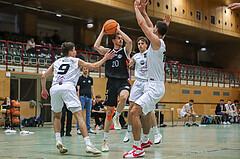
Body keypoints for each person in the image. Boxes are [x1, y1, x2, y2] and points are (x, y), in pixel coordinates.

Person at [41, 41, 114, 154]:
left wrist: (43, 89)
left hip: (54, 88)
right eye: (74, 50)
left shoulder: (56, 62)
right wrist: (106, 58)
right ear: (70, 52)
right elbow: (94, 66)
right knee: (79, 117)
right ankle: (88, 144)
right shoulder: (75, 61)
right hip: (68, 87)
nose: (76, 52)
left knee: (57, 116)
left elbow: (43, 76)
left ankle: (58, 140)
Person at [123, 1, 168, 157]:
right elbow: (149, 25)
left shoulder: (156, 42)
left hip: (154, 86)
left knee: (134, 112)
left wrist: (136, 8)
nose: (151, 27)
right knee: (144, 113)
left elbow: (142, 24)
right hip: (151, 85)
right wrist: (144, 11)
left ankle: (137, 148)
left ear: (156, 30)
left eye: (154, 27)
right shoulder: (158, 41)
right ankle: (147, 139)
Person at [94, 21, 132, 152]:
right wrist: (103, 32)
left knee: (123, 98)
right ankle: (105, 141)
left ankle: (118, 116)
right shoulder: (108, 51)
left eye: (121, 38)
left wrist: (119, 30)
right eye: (118, 38)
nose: (121, 40)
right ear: (113, 40)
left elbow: (130, 42)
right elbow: (96, 45)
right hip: (111, 83)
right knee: (108, 113)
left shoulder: (125, 51)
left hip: (123, 81)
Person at [123, 36, 165, 145]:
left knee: (149, 110)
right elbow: (128, 64)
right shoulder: (136, 56)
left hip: (148, 82)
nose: (140, 45)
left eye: (142, 43)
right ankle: (128, 131)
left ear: (146, 44)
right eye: (139, 43)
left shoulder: (151, 53)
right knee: (131, 107)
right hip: (138, 82)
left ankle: (156, 133)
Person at [76, 67, 96, 135]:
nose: (86, 70)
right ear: (82, 70)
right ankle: (79, 129)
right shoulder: (80, 78)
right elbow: (78, 89)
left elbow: (92, 89)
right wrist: (78, 99)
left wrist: (93, 98)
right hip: (82, 97)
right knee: (80, 114)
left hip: (89, 98)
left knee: (89, 114)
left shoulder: (90, 79)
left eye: (86, 69)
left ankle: (88, 128)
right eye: (84, 69)